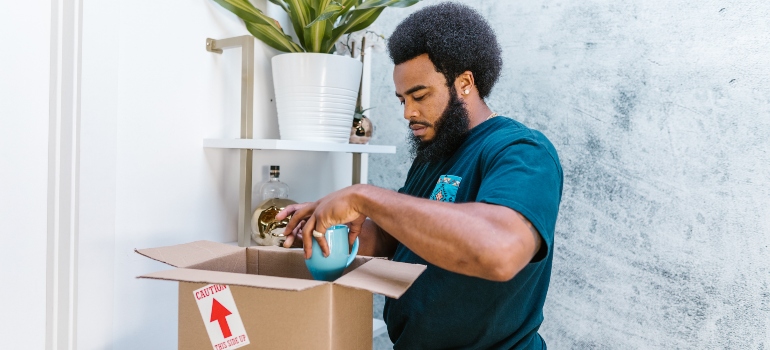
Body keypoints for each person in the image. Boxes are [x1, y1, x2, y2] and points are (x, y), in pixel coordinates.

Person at [276, 3, 563, 349]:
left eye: (420, 96)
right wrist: (329, 228)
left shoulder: (522, 151)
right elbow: (402, 238)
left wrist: (364, 197)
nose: (408, 112)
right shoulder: (435, 151)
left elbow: (500, 251)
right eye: (402, 100)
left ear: (465, 82)